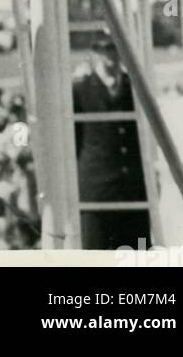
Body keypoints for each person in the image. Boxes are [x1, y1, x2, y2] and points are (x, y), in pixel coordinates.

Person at [73, 32, 149, 249]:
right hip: (97, 193)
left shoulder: (134, 87)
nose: (110, 53)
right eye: (103, 48)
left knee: (139, 255)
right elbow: (74, 140)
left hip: (133, 191)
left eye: (114, 47)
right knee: (96, 258)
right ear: (94, 52)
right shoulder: (79, 90)